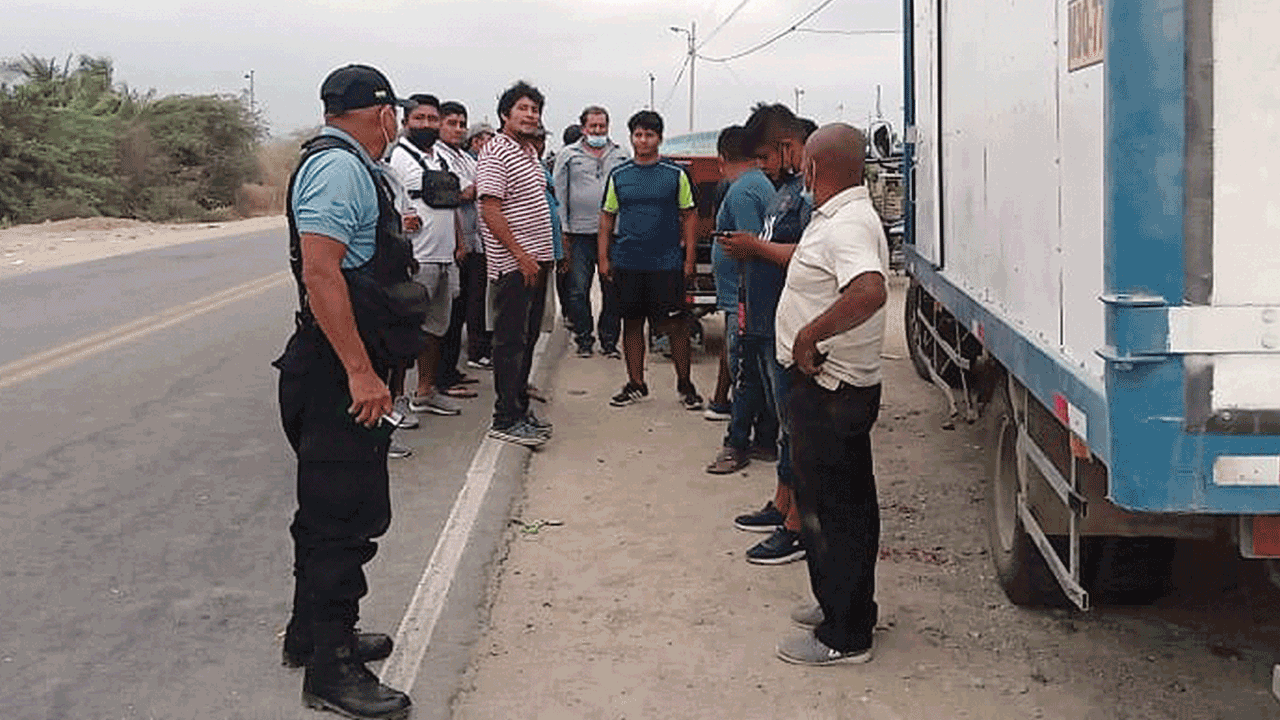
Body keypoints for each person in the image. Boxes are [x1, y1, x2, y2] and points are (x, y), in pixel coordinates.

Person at [273, 63, 414, 719]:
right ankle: (332, 668)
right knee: (343, 519)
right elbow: (322, 273)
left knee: (325, 512)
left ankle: (311, 634)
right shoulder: (340, 168)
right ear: (382, 113)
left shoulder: (352, 165)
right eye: (396, 113)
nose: (398, 123)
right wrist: (360, 371)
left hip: (335, 363)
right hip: (338, 372)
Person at [774, 123, 889, 666]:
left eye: (804, 164)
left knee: (831, 512)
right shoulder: (842, 216)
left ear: (815, 167)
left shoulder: (847, 225)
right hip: (833, 388)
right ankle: (845, 606)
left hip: (828, 388)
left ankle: (844, 636)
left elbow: (869, 290)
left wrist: (809, 335)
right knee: (846, 505)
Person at [721, 104, 815, 564]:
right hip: (765, 323)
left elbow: (810, 255)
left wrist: (754, 247)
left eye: (764, 157)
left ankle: (797, 525)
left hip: (789, 324)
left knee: (795, 427)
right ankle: (781, 504)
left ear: (786, 147)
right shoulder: (783, 192)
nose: (761, 167)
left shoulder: (808, 196)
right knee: (783, 425)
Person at [598, 110, 702, 410]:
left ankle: (685, 386)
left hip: (667, 264)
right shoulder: (619, 175)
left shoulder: (675, 174)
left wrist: (689, 258)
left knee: (677, 326)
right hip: (628, 262)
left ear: (659, 138)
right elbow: (606, 218)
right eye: (638, 135)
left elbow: (690, 215)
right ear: (631, 138)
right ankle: (636, 384)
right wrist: (603, 258)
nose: (643, 140)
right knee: (632, 324)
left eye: (649, 135)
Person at [476, 81, 556, 447]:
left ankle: (520, 409)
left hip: (536, 263)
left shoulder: (527, 152)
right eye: (523, 108)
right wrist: (520, 255)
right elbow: (490, 209)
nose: (530, 115)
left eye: (535, 110)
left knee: (527, 339)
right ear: (505, 114)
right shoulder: (496, 151)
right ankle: (504, 418)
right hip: (513, 266)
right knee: (509, 343)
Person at [705, 125, 778, 475]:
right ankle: (763, 437)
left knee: (745, 372)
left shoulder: (743, 192)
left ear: (722, 160)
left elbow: (751, 246)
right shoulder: (755, 185)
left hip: (745, 298)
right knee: (754, 372)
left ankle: (738, 442)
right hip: (745, 296)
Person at [386, 94, 464, 420]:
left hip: (444, 257)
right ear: (406, 122)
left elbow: (453, 203)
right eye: (420, 118)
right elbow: (386, 203)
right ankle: (396, 399)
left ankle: (425, 392)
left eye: (432, 119)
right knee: (405, 332)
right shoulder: (398, 159)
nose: (427, 125)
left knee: (435, 330)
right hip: (417, 258)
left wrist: (459, 242)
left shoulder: (441, 159)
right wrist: (399, 221)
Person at [554, 105, 627, 358]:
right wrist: (563, 232)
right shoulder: (568, 155)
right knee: (578, 290)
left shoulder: (621, 154)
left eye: (602, 126)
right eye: (593, 126)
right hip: (579, 235)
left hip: (613, 234)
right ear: (583, 128)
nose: (598, 130)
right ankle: (584, 339)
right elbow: (560, 196)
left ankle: (609, 342)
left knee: (613, 290)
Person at [433, 100, 482, 400]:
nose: (458, 129)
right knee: (447, 313)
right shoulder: (437, 157)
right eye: (452, 123)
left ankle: (451, 370)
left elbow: (478, 187)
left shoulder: (464, 157)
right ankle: (440, 377)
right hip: (452, 243)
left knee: (463, 308)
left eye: (462, 124)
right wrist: (469, 191)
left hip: (474, 241)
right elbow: (459, 193)